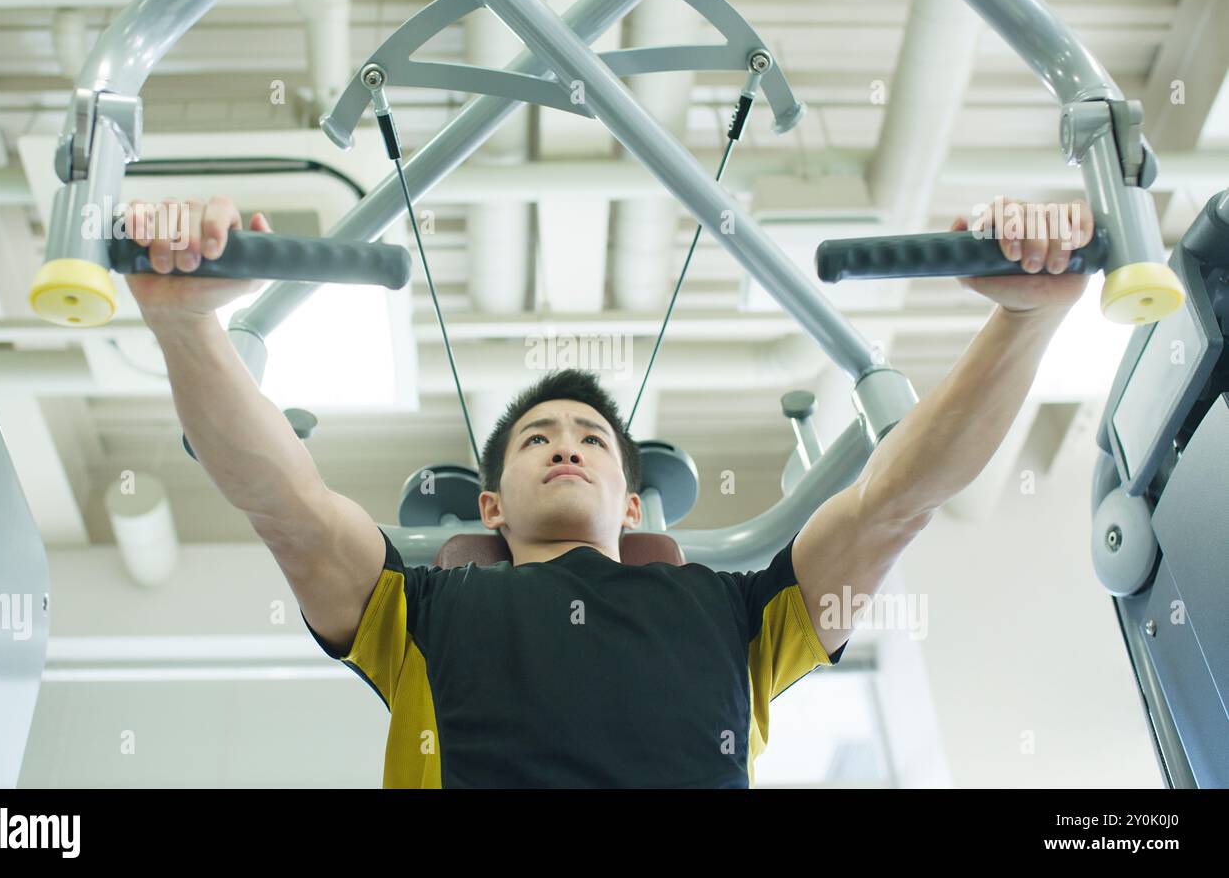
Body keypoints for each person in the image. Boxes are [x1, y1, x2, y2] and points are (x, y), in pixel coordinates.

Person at [123, 193, 1095, 787]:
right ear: (489, 505)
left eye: (591, 437)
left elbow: (894, 502)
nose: (565, 445)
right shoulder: (413, 609)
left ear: (632, 504)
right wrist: (185, 326)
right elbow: (283, 503)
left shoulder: (738, 612)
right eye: (537, 438)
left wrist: (1025, 320)